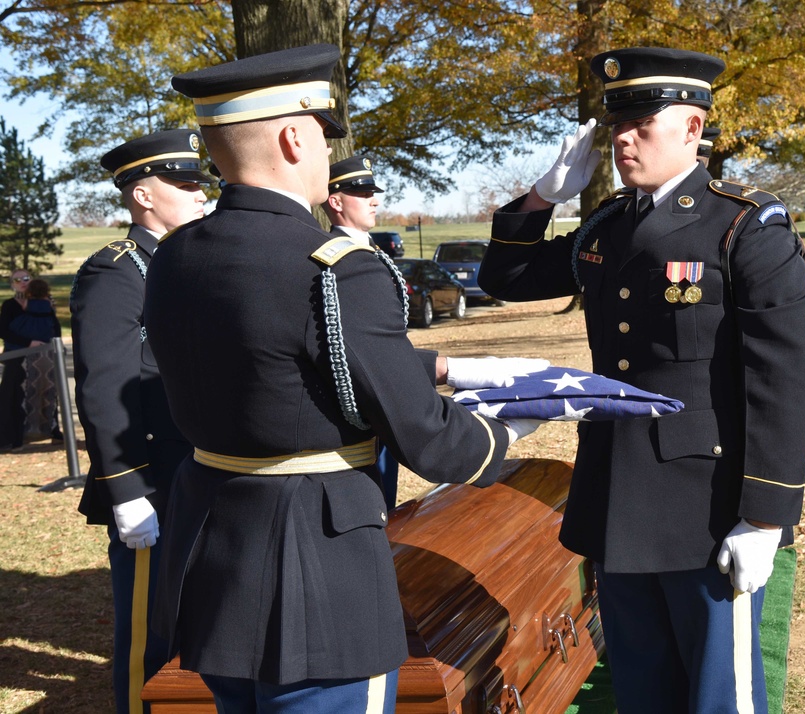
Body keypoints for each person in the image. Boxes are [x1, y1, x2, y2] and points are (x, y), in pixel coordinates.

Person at [146, 43, 542, 713]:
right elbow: (426, 439)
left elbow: (279, 361)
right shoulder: (335, 266)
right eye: (327, 138)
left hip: (208, 561)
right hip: (317, 586)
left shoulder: (178, 255)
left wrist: (452, 367)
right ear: (295, 137)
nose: (330, 156)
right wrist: (503, 433)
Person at [478, 46, 805, 713]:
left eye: (642, 124)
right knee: (643, 693)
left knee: (720, 697)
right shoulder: (609, 225)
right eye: (616, 125)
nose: (622, 139)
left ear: (692, 129)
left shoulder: (745, 225)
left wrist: (764, 517)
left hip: (708, 508)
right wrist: (543, 196)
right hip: (618, 500)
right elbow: (505, 278)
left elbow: (783, 379)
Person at [72, 128, 212, 714]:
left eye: (202, 185)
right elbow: (106, 388)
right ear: (144, 196)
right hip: (153, 483)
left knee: (198, 626)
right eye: (184, 185)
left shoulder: (192, 265)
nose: (202, 197)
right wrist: (126, 491)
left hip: (205, 472)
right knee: (148, 637)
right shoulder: (117, 273)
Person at [321, 154, 401, 510]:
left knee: (388, 497)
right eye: (362, 192)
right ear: (335, 201)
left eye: (373, 191)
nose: (375, 199)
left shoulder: (368, 252)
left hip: (388, 394)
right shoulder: (338, 258)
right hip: (360, 405)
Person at [10, 278, 61, 442]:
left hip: (30, 350)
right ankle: (51, 428)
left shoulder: (27, 304)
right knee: (50, 389)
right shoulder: (48, 304)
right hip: (46, 347)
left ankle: (27, 428)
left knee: (29, 389)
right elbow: (55, 324)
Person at [0, 269, 34, 451]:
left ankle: (49, 431)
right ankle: (9, 438)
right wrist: (28, 342)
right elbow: (3, 331)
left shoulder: (42, 302)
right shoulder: (9, 305)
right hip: (15, 356)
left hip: (41, 356)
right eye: (17, 279)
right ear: (12, 284)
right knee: (10, 396)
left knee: (45, 392)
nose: (22, 282)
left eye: (26, 278)